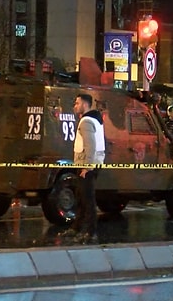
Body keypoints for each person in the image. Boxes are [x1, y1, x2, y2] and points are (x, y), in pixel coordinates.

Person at [60, 93, 105, 244]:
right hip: (91, 164)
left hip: (87, 166)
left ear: (85, 105)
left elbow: (90, 145)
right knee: (81, 197)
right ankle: (77, 227)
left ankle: (89, 232)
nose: (75, 106)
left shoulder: (86, 121)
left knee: (87, 199)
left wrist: (86, 167)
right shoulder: (94, 120)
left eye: (77, 103)